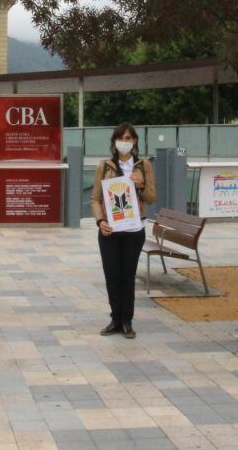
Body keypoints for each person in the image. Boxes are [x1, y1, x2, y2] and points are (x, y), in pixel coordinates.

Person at [90, 123, 156, 339]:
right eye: (121, 138)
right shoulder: (105, 166)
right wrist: (101, 221)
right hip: (110, 230)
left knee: (128, 275)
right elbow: (96, 198)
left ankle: (127, 321)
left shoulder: (143, 165)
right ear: (114, 142)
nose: (124, 142)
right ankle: (115, 319)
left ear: (135, 141)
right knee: (112, 275)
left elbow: (151, 198)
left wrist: (141, 186)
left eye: (128, 138)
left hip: (134, 229)